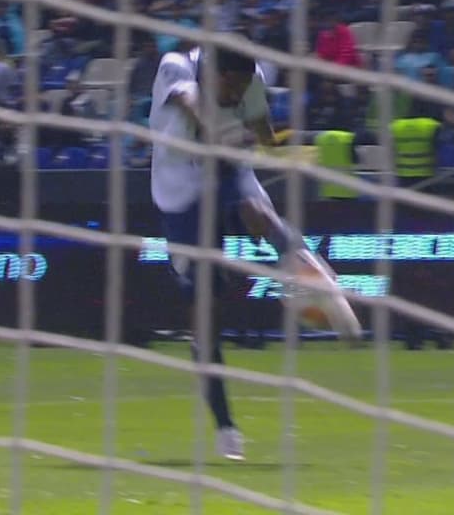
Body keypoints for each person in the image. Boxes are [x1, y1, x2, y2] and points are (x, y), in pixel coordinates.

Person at [148, 45, 362, 462]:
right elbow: (193, 105)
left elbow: (262, 127)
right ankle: (226, 426)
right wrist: (226, 133)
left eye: (242, 88)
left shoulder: (251, 80)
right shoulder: (176, 68)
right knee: (205, 315)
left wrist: (275, 143)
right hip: (180, 190)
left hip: (228, 170)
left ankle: (314, 276)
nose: (236, 95)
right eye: (230, 86)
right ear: (213, 73)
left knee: (256, 210)